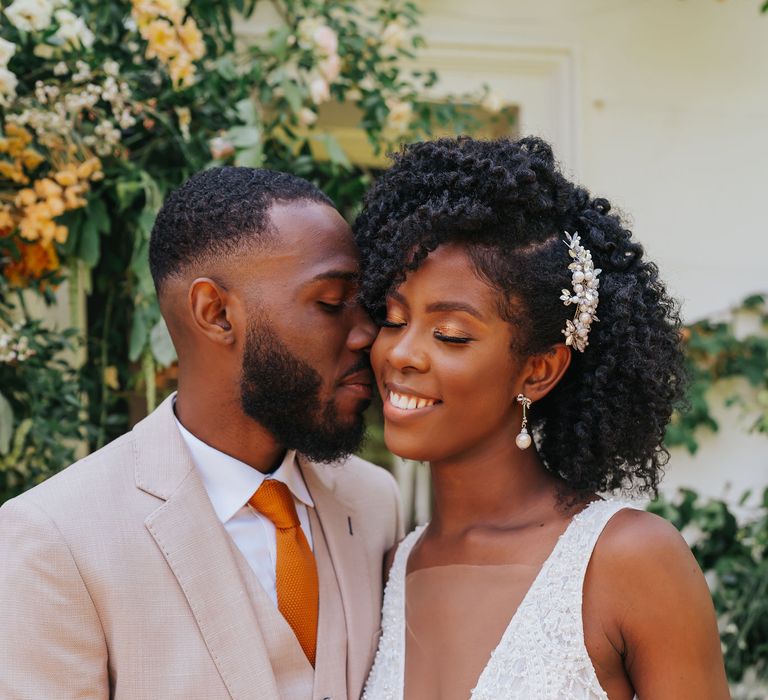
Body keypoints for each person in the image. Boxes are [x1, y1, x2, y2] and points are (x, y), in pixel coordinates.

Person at [0, 167, 402, 700]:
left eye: (365, 304)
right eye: (330, 302)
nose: (367, 332)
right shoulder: (56, 538)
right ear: (215, 313)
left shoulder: (374, 502)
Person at [355, 137, 730, 700]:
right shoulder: (389, 568)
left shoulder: (629, 561)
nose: (401, 353)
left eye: (450, 334)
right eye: (392, 318)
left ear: (538, 371)